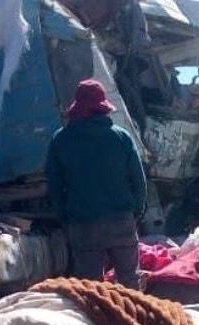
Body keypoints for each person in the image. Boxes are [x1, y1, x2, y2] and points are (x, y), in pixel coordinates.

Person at [45, 78, 147, 289]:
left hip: (83, 224)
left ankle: (98, 320)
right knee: (130, 281)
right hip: (121, 220)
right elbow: (139, 181)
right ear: (103, 108)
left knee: (92, 288)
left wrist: (65, 217)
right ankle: (133, 319)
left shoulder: (60, 140)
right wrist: (135, 211)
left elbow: (54, 187)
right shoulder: (121, 137)